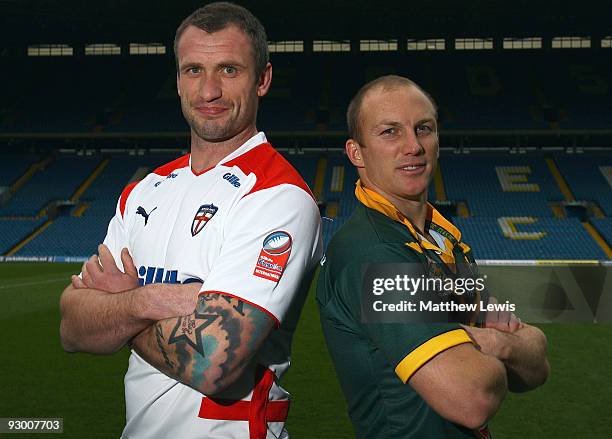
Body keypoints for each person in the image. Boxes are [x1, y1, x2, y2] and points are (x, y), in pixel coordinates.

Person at [59, 3, 322, 438]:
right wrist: (147, 301)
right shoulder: (145, 191)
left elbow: (212, 362)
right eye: (194, 70)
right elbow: (72, 326)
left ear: (263, 80)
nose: (209, 90)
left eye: (229, 70)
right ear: (178, 79)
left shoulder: (279, 195)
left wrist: (118, 310)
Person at [316, 75, 549, 438]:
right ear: (356, 153)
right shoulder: (373, 252)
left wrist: (495, 342)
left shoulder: (443, 239)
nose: (413, 146)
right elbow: (472, 398)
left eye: (423, 128)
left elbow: (537, 365)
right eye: (390, 132)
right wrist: (498, 342)